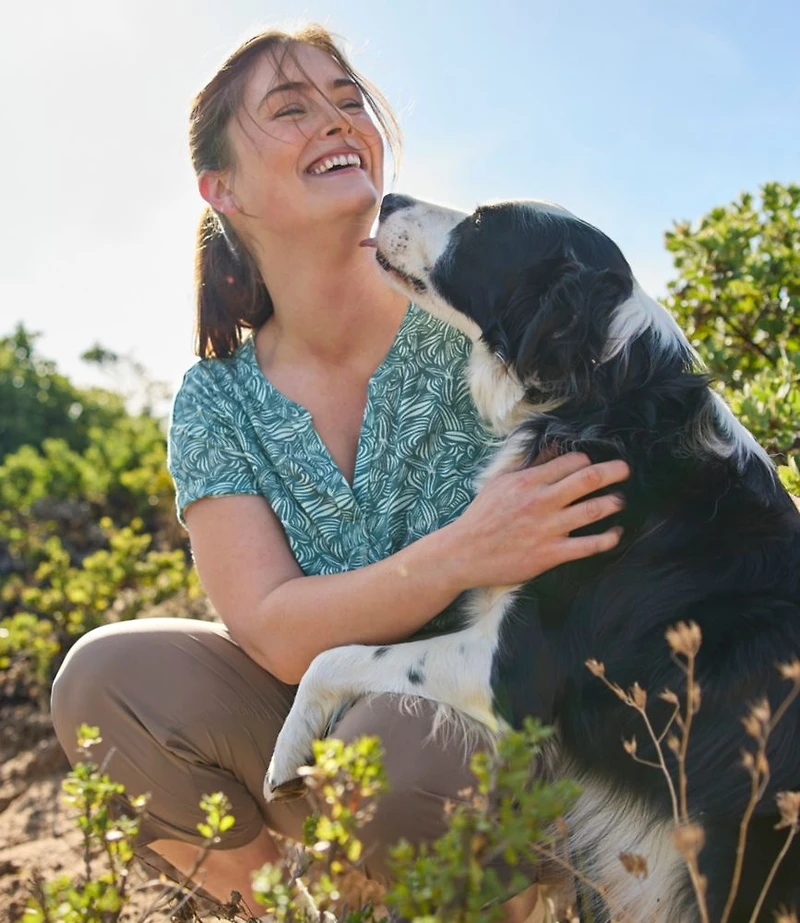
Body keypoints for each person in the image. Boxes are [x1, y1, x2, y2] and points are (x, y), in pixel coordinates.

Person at [51, 24, 629, 919]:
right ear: (222, 189)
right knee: (102, 684)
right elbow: (277, 634)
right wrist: (468, 550)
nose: (337, 119)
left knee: (397, 743)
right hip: (333, 738)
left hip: (540, 718)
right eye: (291, 108)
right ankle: (300, 910)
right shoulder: (217, 400)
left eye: (348, 99)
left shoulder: (478, 314)